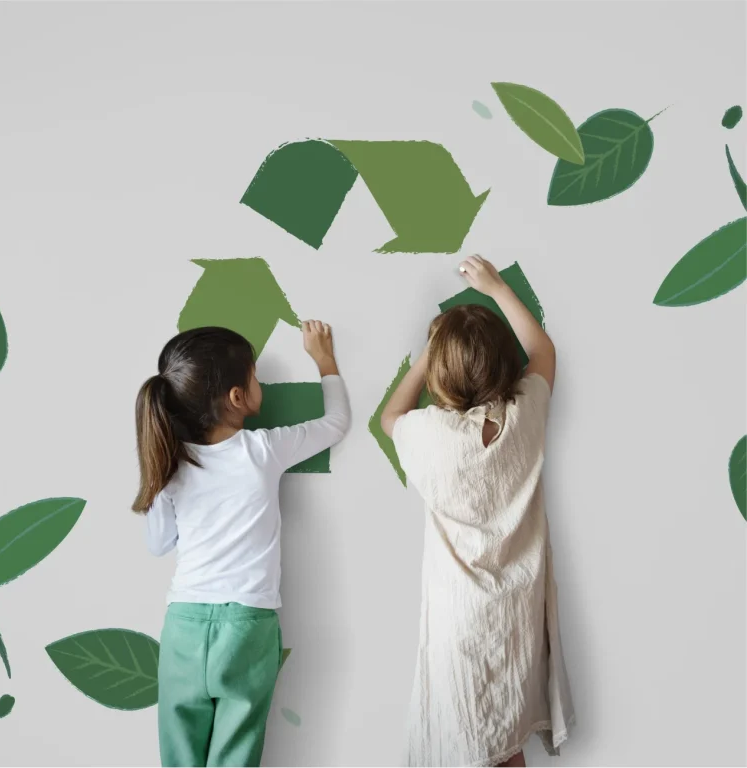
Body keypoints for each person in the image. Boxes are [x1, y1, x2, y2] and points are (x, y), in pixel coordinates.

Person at [381, 255, 574, 768]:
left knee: (463, 737)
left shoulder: (430, 436)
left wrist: (429, 351)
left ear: (439, 372)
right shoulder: (525, 414)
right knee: (507, 741)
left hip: (457, 620)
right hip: (517, 612)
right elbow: (543, 350)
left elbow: (389, 416)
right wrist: (496, 287)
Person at [132, 322, 350, 768]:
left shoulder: (170, 467)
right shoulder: (263, 450)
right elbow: (336, 424)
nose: (259, 382)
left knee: (179, 755)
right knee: (236, 755)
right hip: (248, 625)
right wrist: (324, 360)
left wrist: (159, 483)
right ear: (237, 397)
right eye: (255, 376)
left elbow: (158, 545)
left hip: (184, 626)